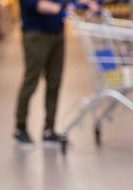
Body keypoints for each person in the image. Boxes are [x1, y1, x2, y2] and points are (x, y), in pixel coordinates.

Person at [14, 0, 96, 146]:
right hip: (36, 33)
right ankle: (20, 127)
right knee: (31, 81)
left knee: (54, 82)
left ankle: (49, 129)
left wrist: (86, 4)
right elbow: (33, 4)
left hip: (57, 32)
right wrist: (57, 8)